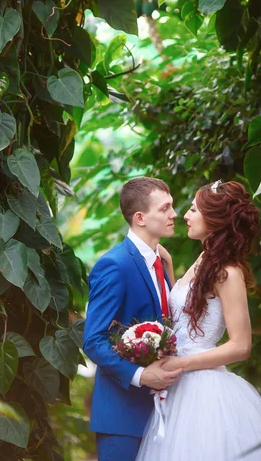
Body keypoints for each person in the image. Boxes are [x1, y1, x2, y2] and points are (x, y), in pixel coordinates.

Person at [137, 180, 261, 461]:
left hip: (203, 390)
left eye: (193, 209)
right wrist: (168, 268)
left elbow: (241, 346)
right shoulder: (204, 260)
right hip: (177, 384)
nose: (185, 215)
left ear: (214, 219)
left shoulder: (228, 273)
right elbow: (185, 310)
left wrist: (180, 363)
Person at [83, 177, 182, 461]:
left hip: (167, 413)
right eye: (165, 208)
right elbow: (93, 340)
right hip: (123, 418)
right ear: (140, 218)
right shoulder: (114, 265)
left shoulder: (160, 262)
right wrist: (141, 375)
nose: (173, 214)